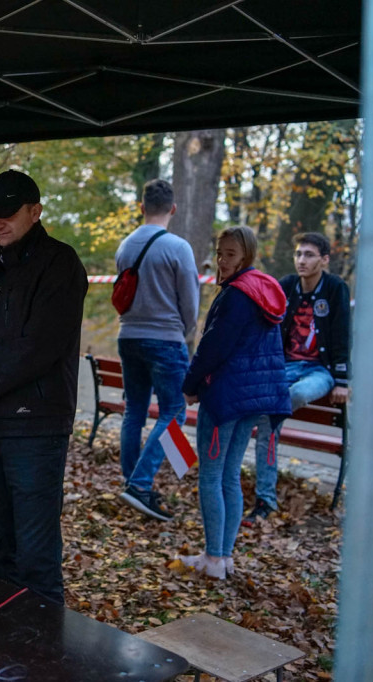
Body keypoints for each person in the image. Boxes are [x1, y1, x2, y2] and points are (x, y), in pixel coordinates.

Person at [0, 169, 88, 604]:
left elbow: (38, 348)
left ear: (35, 211)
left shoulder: (61, 263)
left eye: (8, 214)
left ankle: (44, 653)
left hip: (37, 428)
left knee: (35, 556)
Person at [180, 226, 290, 579]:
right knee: (229, 475)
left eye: (230, 254)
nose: (222, 260)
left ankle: (213, 559)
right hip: (254, 398)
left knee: (212, 477)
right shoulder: (264, 291)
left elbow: (214, 347)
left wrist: (190, 384)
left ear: (246, 256)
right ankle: (223, 558)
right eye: (219, 252)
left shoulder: (237, 295)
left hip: (226, 397)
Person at [245, 232, 351, 525]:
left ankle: (258, 417)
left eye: (309, 255)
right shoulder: (287, 285)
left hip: (319, 370)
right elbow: (264, 323)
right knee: (269, 420)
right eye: (298, 254)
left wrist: (342, 381)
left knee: (297, 395)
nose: (301, 260)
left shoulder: (335, 288)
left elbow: (342, 334)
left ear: (324, 260)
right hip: (285, 366)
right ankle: (265, 500)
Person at [115, 179, 200, 521]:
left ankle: (132, 480)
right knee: (174, 412)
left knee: (134, 410)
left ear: (141, 206)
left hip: (128, 336)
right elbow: (189, 300)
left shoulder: (125, 246)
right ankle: (139, 485)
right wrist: (186, 330)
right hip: (165, 339)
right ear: (173, 209)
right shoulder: (178, 248)